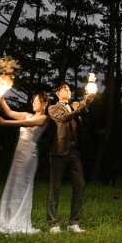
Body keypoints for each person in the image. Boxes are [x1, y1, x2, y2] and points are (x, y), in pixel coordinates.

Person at [0, 91, 50, 234]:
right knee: (13, 185)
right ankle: (8, 217)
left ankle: (20, 220)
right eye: (33, 101)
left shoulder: (44, 118)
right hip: (19, 153)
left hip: (29, 153)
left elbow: (26, 123)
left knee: (23, 185)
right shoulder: (26, 113)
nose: (34, 103)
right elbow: (9, 112)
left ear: (45, 103)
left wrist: (4, 122)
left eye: (37, 101)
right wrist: (1, 99)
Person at [46, 81, 93, 233]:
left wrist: (88, 98)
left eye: (69, 89)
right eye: (64, 89)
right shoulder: (53, 108)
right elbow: (65, 118)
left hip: (75, 153)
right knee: (55, 188)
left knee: (80, 185)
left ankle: (73, 223)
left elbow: (83, 106)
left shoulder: (75, 105)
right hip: (59, 152)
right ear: (58, 93)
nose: (68, 91)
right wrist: (79, 109)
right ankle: (53, 223)